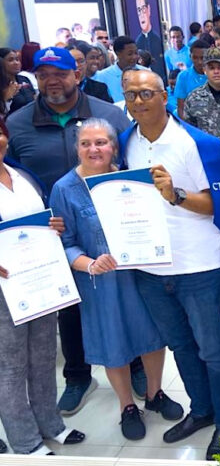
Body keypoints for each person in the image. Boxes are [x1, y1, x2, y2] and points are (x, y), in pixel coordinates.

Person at [6, 47, 132, 415]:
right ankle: (78, 376)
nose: (52, 80)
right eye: (43, 74)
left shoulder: (107, 115)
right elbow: (11, 176)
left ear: (76, 74)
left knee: (121, 302)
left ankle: (136, 366)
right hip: (49, 237)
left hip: (108, 230)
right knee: (69, 308)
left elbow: (128, 164)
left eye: (59, 72)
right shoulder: (17, 123)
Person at [119, 68, 220, 460]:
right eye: (131, 94)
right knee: (182, 348)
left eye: (146, 93)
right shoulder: (126, 142)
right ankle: (200, 410)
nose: (139, 101)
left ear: (165, 95)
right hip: (151, 269)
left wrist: (176, 194)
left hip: (198, 265)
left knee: (212, 349)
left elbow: (218, 207)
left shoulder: (198, 142)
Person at [50, 119, 184, 440]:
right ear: (77, 148)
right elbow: (65, 243)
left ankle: (154, 395)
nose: (93, 149)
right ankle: (127, 406)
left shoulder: (133, 178)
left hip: (141, 274)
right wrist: (89, 264)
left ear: (113, 146)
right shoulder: (64, 188)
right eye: (85, 143)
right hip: (100, 281)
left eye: (101, 142)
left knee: (152, 335)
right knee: (113, 342)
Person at [0, 118, 86, 455]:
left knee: (44, 354)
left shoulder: (21, 175)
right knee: (11, 364)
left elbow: (42, 216)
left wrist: (55, 225)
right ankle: (24, 439)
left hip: (39, 280)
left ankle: (50, 423)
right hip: (5, 287)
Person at [93, 36, 149, 102]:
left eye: (136, 53)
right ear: (118, 54)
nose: (134, 57)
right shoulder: (102, 76)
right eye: (130, 54)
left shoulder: (146, 72)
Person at [174, 40, 210, 118]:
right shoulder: (183, 76)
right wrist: (187, 127)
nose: (199, 62)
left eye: (202, 58)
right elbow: (181, 107)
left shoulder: (216, 75)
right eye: (195, 58)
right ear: (190, 56)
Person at [134, 0, 166, 80]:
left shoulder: (158, 39)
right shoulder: (137, 42)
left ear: (148, 9)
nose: (141, 15)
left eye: (143, 9)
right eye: (138, 10)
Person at [0, 47, 36, 115]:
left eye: (17, 59)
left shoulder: (24, 79)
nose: (16, 63)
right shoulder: (2, 84)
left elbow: (34, 99)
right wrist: (7, 99)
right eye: (11, 60)